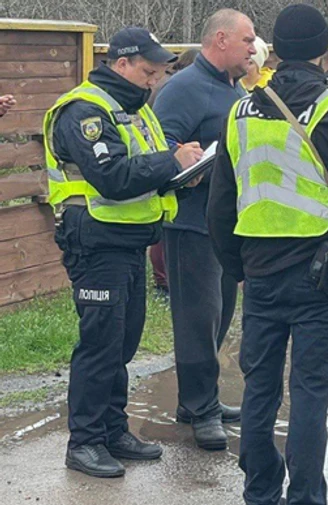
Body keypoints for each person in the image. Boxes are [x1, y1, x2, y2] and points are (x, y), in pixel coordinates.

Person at [207, 4, 328, 504]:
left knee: (260, 391)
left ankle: (259, 492)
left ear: (274, 47)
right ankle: (305, 498)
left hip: (260, 275)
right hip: (322, 278)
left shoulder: (239, 112)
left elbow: (219, 206)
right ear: (323, 49)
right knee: (311, 395)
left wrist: (239, 270)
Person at [42, 27, 204, 478]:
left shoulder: (132, 110)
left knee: (123, 342)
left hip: (128, 240)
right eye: (148, 72)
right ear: (122, 64)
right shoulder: (85, 110)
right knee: (100, 344)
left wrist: (181, 168)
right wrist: (171, 162)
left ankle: (113, 429)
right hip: (94, 242)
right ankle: (85, 441)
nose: (154, 82)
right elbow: (110, 175)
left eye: (158, 73)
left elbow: (145, 167)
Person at [153, 8, 256, 450]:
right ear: (220, 40)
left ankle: (199, 399)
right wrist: (184, 157)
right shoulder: (183, 88)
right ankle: (201, 409)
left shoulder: (233, 89)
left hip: (226, 225)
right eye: (248, 40)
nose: (254, 49)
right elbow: (160, 147)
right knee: (197, 320)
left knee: (220, 316)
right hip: (190, 223)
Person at [148, 48, 200, 298]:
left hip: (160, 163)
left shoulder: (165, 84)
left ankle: (161, 280)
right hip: (169, 162)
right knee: (164, 228)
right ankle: (162, 281)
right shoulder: (176, 88)